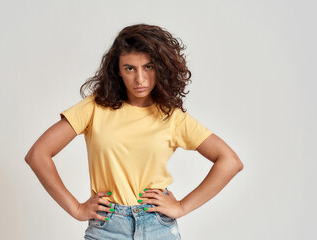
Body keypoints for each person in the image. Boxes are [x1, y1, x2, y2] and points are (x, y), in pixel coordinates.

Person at [25, 23, 244, 240]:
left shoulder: (172, 117)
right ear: (118, 71)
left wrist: (182, 207)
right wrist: (76, 209)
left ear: (161, 67)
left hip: (157, 226)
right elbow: (38, 155)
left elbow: (230, 161)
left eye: (148, 66)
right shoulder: (94, 108)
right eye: (130, 68)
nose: (140, 79)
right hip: (107, 227)